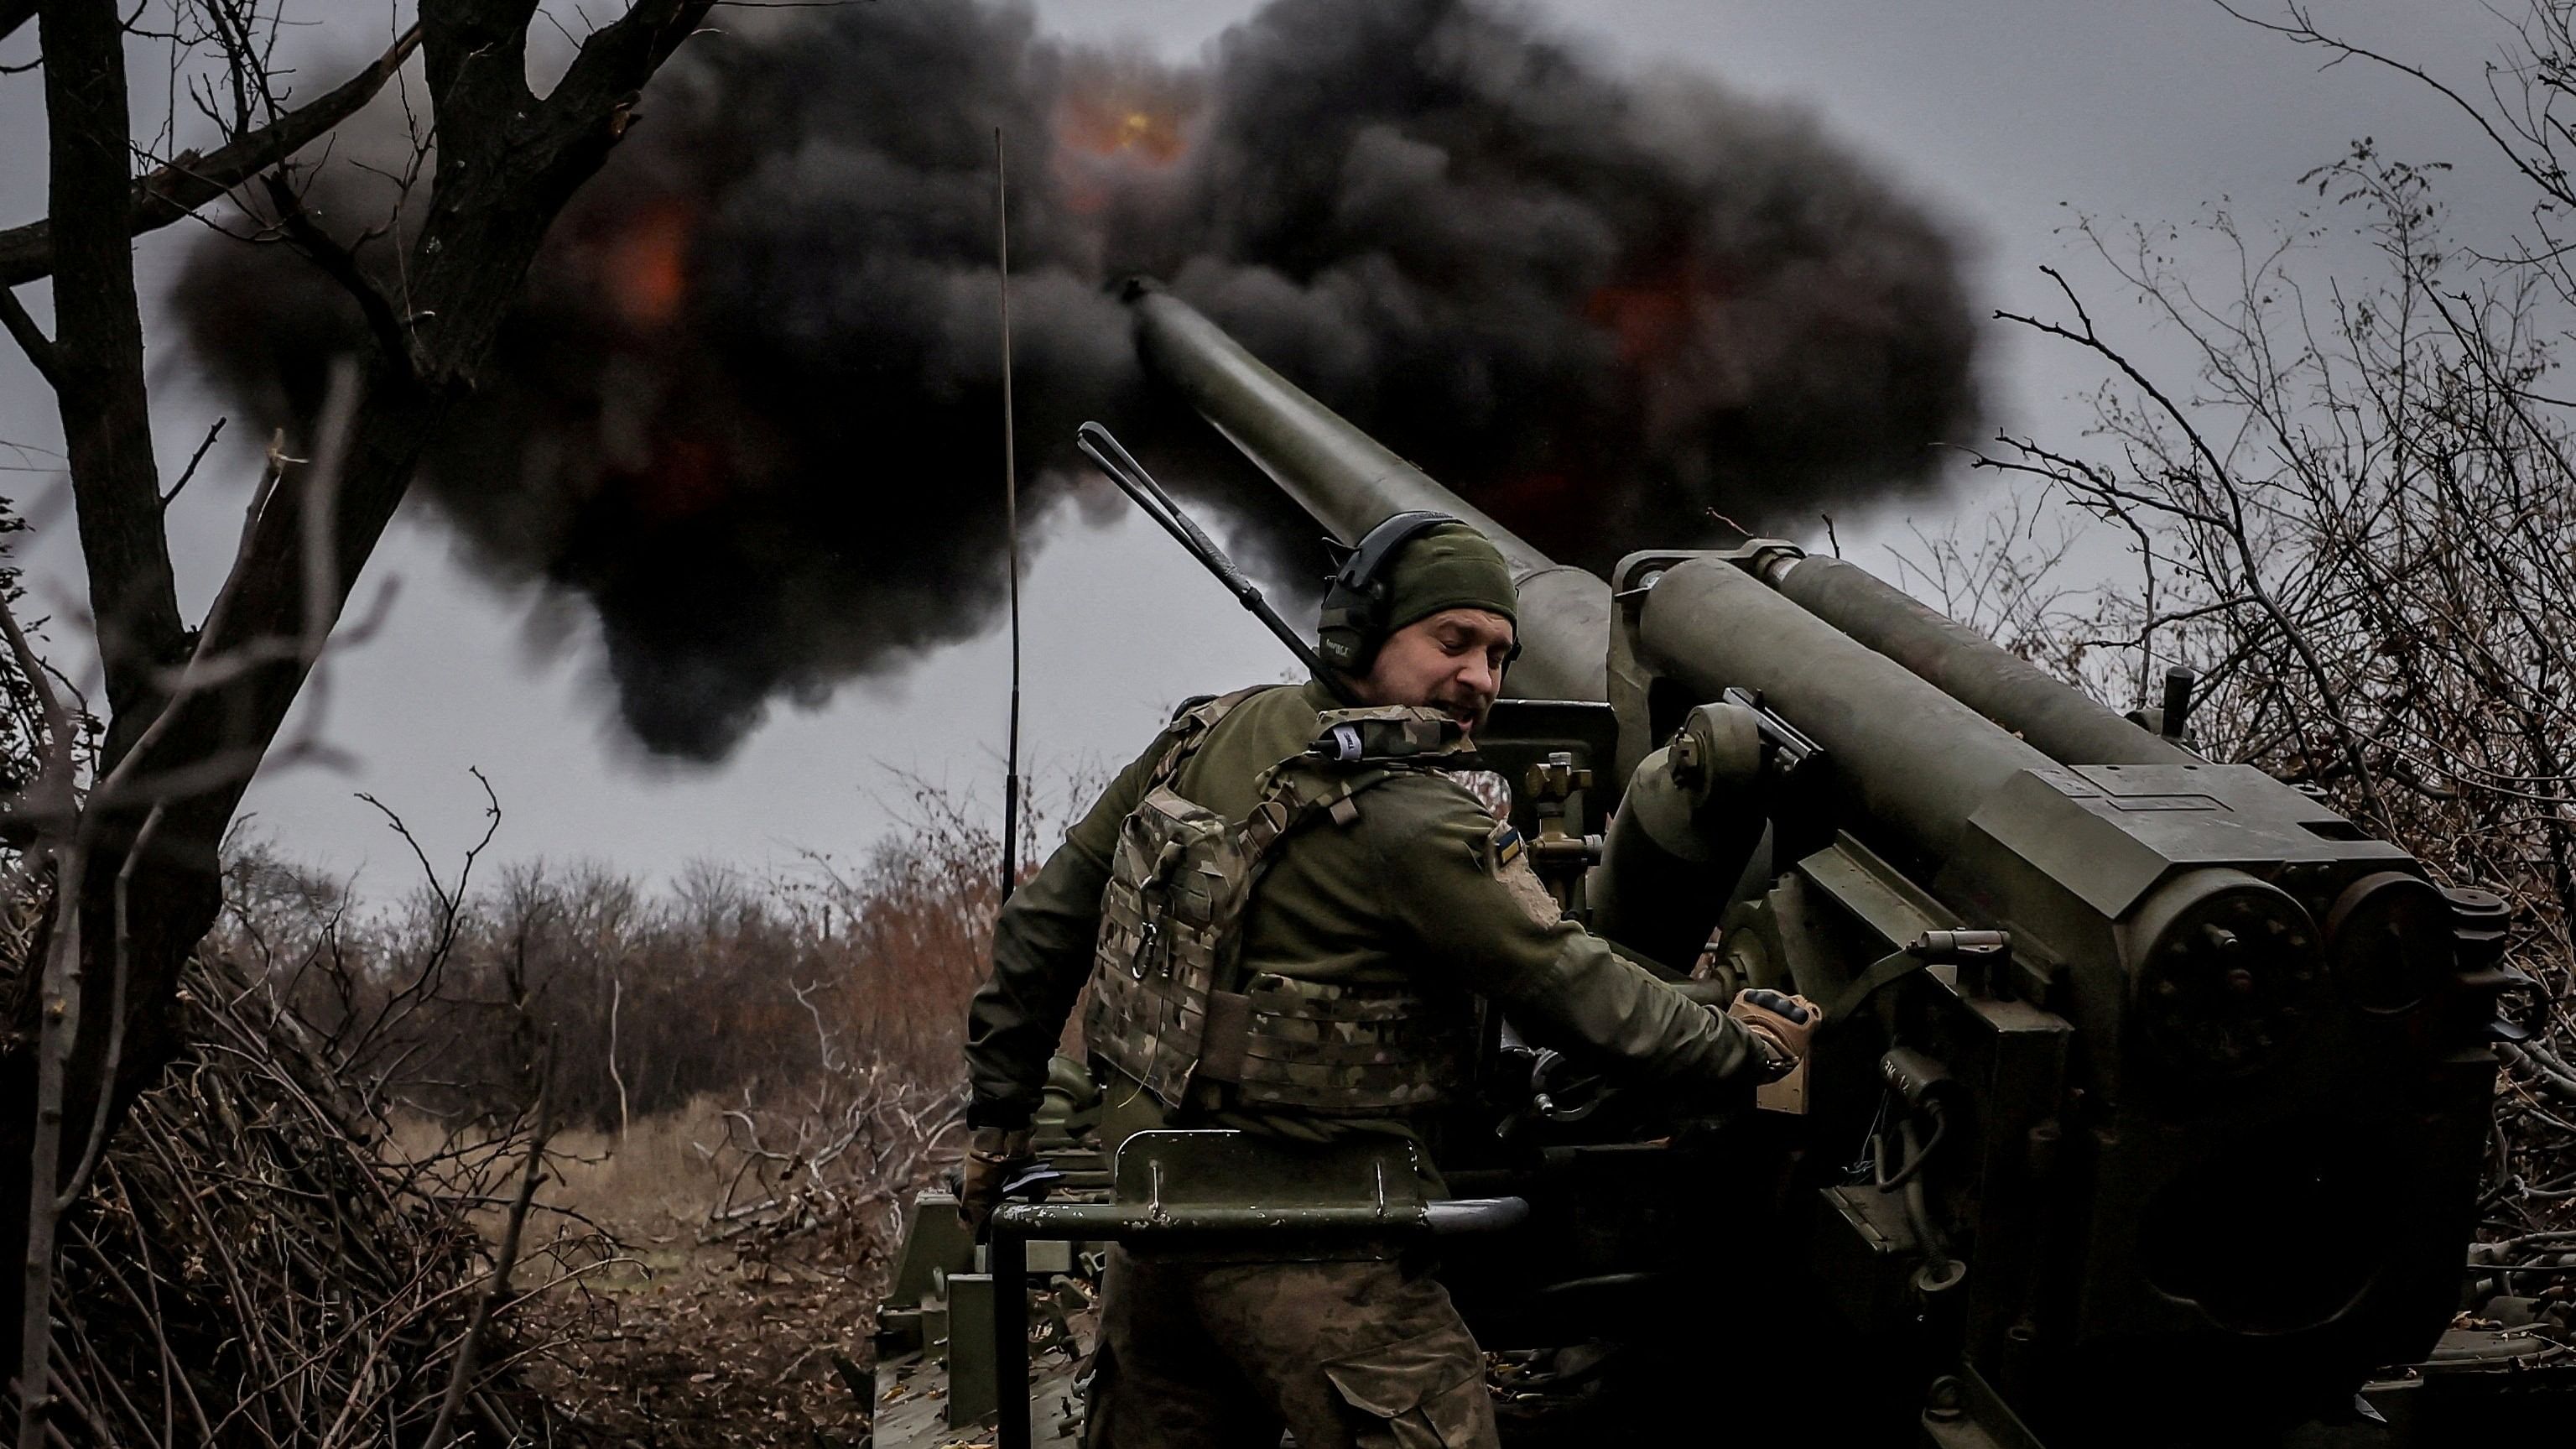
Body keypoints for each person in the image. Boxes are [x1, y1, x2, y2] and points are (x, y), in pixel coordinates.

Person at [958, 513, 1819, 1449]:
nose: (1480, 680)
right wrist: (1741, 1045)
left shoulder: (1203, 733)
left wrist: (998, 1119)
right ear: (1358, 634)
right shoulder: (1414, 820)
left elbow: (1044, 922)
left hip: (1156, 1227)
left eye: (1498, 654)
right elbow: (1577, 992)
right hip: (1322, 1256)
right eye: (1452, 642)